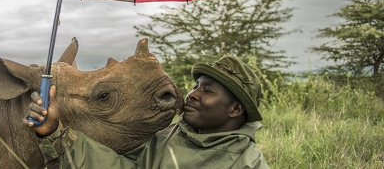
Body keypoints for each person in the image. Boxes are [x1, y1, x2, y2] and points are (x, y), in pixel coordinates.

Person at [23, 55, 270, 168]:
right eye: (195, 86)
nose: (192, 94)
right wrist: (55, 132)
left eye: (208, 90)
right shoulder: (167, 136)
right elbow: (113, 165)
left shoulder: (248, 162)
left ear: (236, 109)